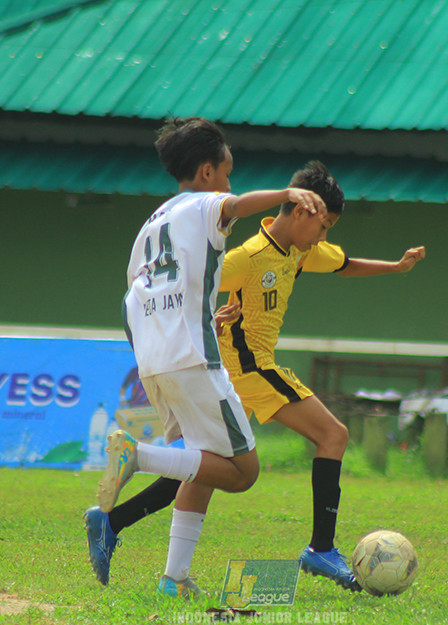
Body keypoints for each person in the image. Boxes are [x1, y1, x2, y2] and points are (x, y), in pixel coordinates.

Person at [87, 159, 425, 592]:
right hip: (247, 368)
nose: (325, 237)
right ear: (303, 212)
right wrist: (212, 318)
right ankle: (321, 549)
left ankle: (153, 561)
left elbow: (344, 264)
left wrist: (395, 267)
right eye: (325, 226)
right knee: (333, 435)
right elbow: (190, 287)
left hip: (235, 376)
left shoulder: (302, 252)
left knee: (200, 473)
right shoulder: (246, 258)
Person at [91, 117, 327, 599]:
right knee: (243, 472)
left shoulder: (153, 222)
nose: (229, 183)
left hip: (155, 357)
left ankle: (173, 579)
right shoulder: (204, 204)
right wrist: (289, 193)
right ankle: (137, 455)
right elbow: (235, 205)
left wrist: (197, 324)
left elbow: (134, 299)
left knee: (204, 461)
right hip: (194, 359)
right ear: (204, 173)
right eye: (226, 172)